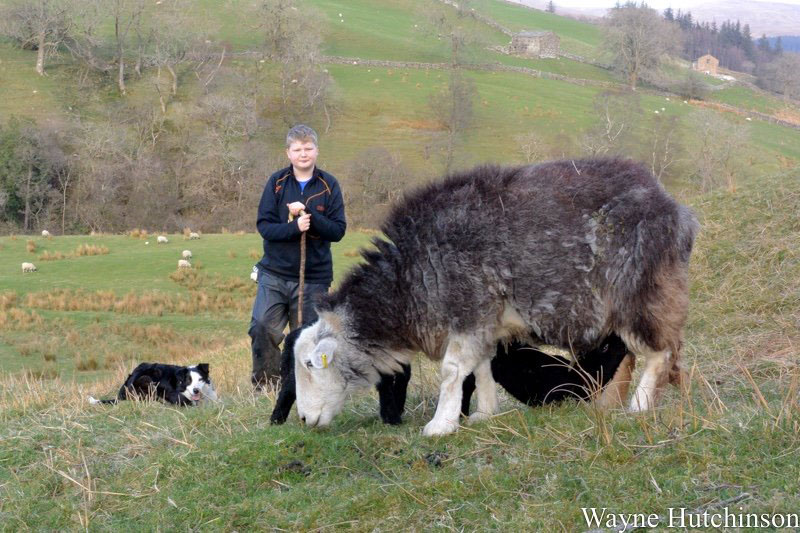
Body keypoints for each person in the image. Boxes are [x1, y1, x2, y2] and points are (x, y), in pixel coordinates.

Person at [250, 125, 347, 389]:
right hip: (274, 273)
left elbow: (338, 230)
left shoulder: (329, 185)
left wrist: (311, 219)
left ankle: (303, 390)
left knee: (307, 337)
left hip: (313, 277)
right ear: (288, 153)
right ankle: (266, 388)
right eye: (297, 149)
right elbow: (265, 226)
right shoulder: (277, 183)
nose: (303, 154)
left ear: (316, 151)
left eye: (308, 148)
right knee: (262, 327)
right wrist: (294, 227)